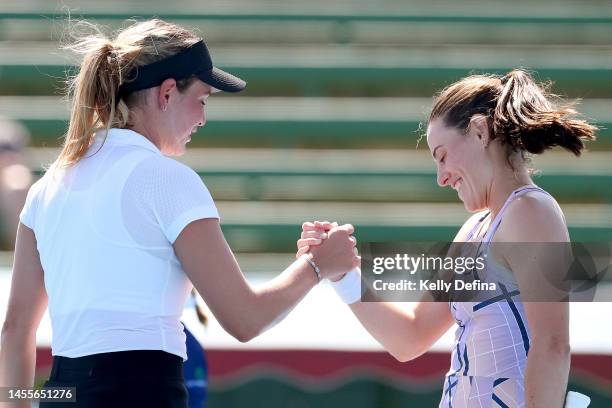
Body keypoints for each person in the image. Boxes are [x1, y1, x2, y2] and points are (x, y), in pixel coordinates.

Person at [0, 19, 359, 408]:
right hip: (141, 392)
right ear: (167, 92)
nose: (202, 119)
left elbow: (15, 331)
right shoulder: (167, 179)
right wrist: (317, 265)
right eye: (202, 100)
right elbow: (244, 319)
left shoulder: (46, 186)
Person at [298, 70, 596, 407]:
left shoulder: (530, 211)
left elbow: (553, 344)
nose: (441, 178)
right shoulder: (475, 229)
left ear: (480, 132)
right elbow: (410, 337)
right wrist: (344, 275)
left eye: (442, 156)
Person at [0, 117, 32, 250]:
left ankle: (22, 254)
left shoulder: (10, 131)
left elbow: (16, 161)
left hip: (7, 188)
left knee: (17, 184)